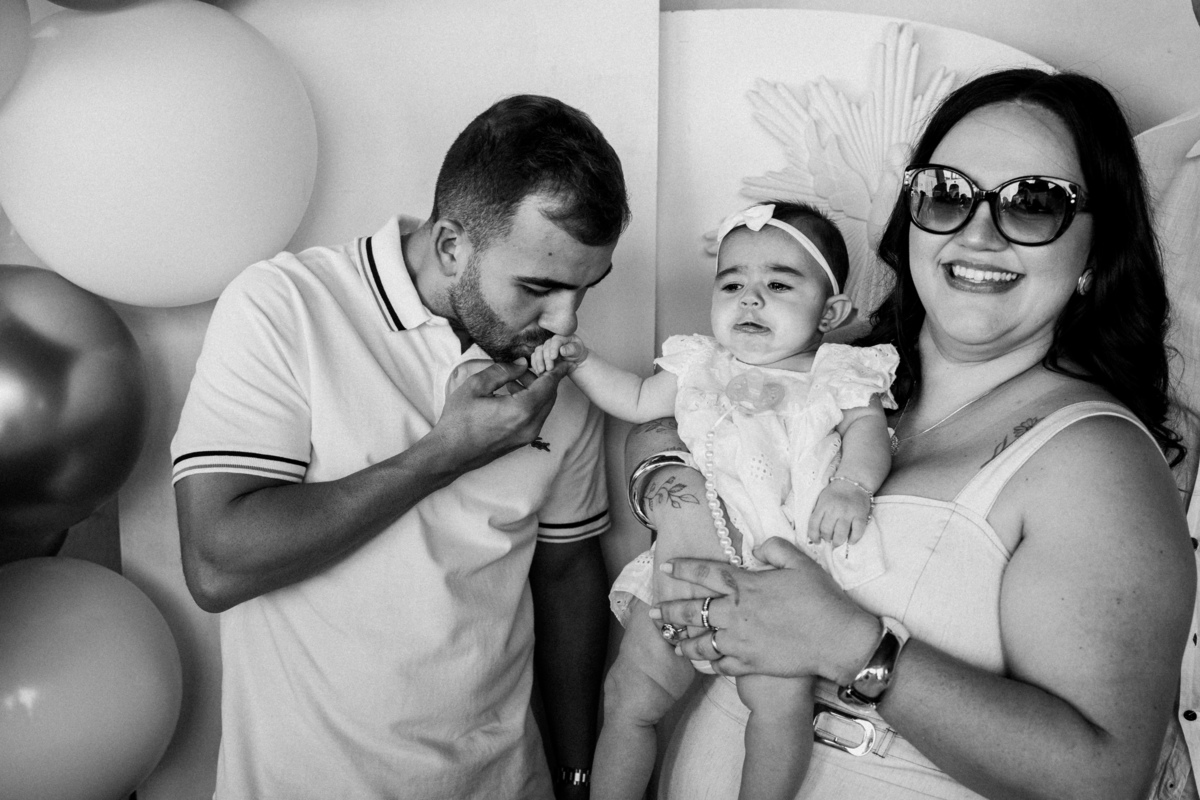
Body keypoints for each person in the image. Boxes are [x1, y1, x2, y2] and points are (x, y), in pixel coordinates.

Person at [631, 68, 1197, 800]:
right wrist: (676, 498)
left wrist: (850, 646)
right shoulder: (846, 366)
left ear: (1096, 251)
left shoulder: (1097, 459)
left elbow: (1100, 779)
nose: (978, 233)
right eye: (948, 194)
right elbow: (666, 412)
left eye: (1034, 203)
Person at [170, 94, 630, 800]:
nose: (565, 321)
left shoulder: (556, 370)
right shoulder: (285, 306)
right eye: (539, 287)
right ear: (451, 246)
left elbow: (566, 576)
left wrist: (578, 775)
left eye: (585, 288)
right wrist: (444, 455)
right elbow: (217, 565)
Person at [532, 201, 898, 800]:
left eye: (778, 285)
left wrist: (852, 485)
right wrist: (582, 361)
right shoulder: (698, 364)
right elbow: (635, 400)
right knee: (627, 698)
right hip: (683, 572)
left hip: (773, 585)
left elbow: (868, 433)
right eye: (732, 285)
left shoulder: (838, 373)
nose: (749, 300)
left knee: (778, 710)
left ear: (830, 312)